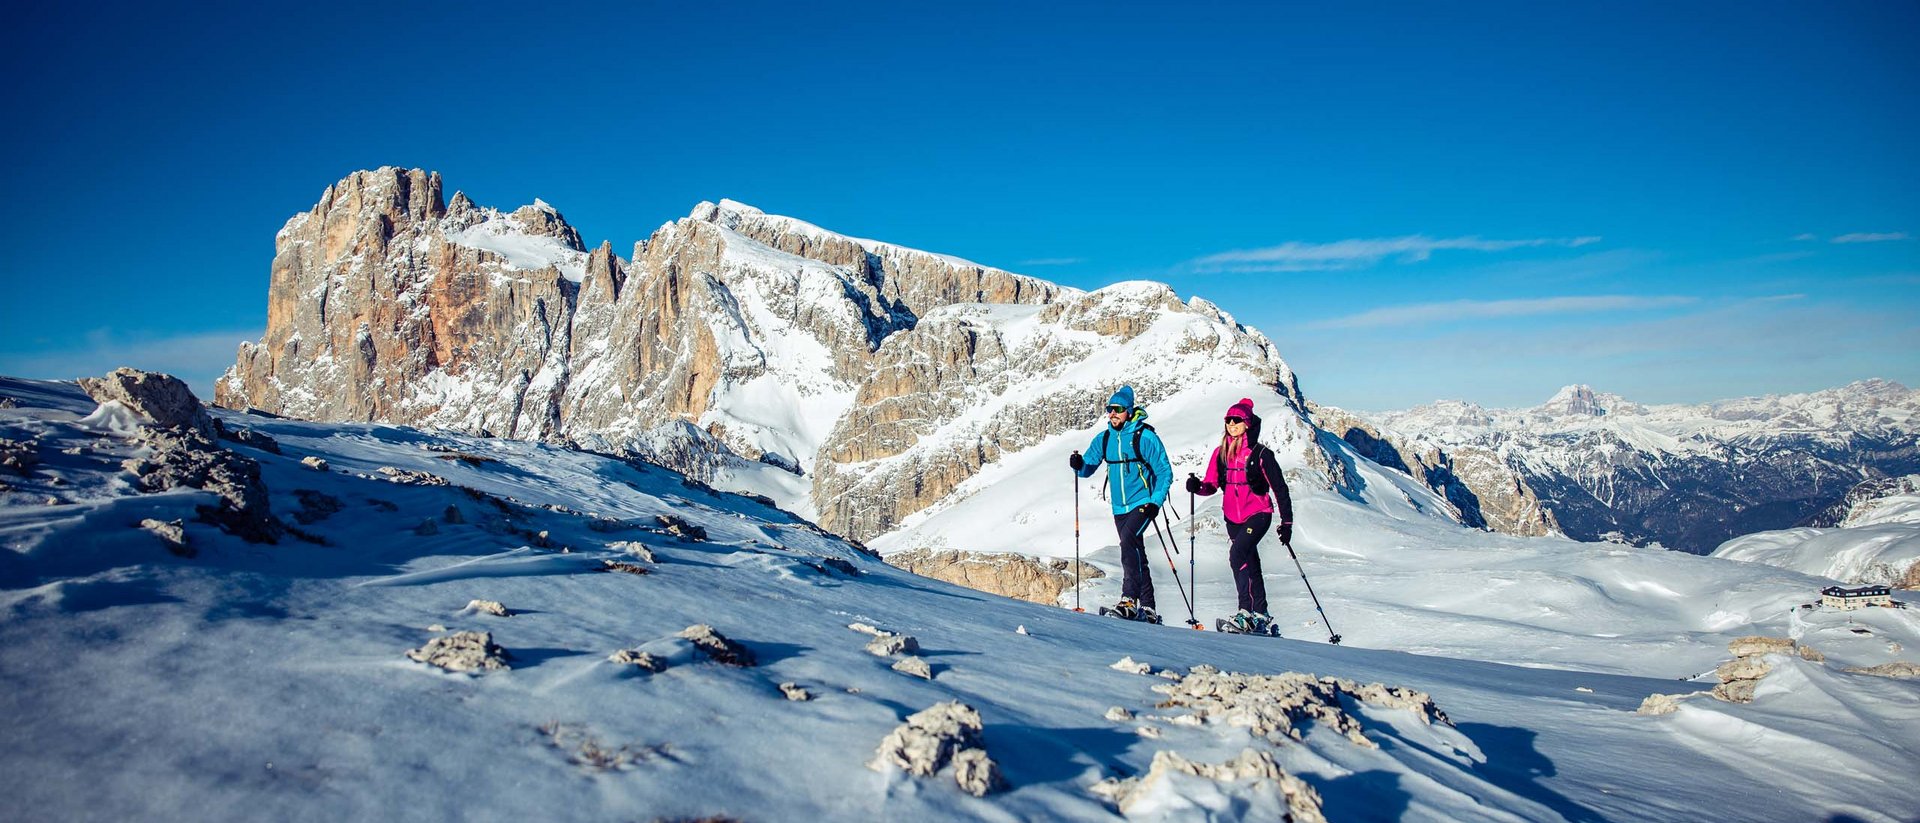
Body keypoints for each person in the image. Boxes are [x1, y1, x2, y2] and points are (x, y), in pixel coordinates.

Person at [1185, 398, 1294, 635]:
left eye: (1237, 420)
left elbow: (1280, 488)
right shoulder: (1220, 453)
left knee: (1237, 554)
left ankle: (1245, 612)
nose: (1231, 424)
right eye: (1228, 420)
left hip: (1258, 513)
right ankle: (1261, 614)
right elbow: (1212, 485)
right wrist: (1197, 487)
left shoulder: (1261, 454)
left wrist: (1287, 523)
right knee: (1250, 563)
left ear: (1247, 423)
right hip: (1232, 517)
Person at [1070, 385, 1172, 622]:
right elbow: (1087, 468)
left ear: (1129, 410)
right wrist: (1078, 464)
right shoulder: (1105, 438)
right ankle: (1148, 607)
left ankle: (1129, 600)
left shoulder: (1144, 437)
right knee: (1136, 550)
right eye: (1109, 409)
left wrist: (1155, 502)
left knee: (1128, 543)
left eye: (1117, 409)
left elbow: (1164, 472)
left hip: (1143, 502)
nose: (1112, 414)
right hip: (1119, 507)